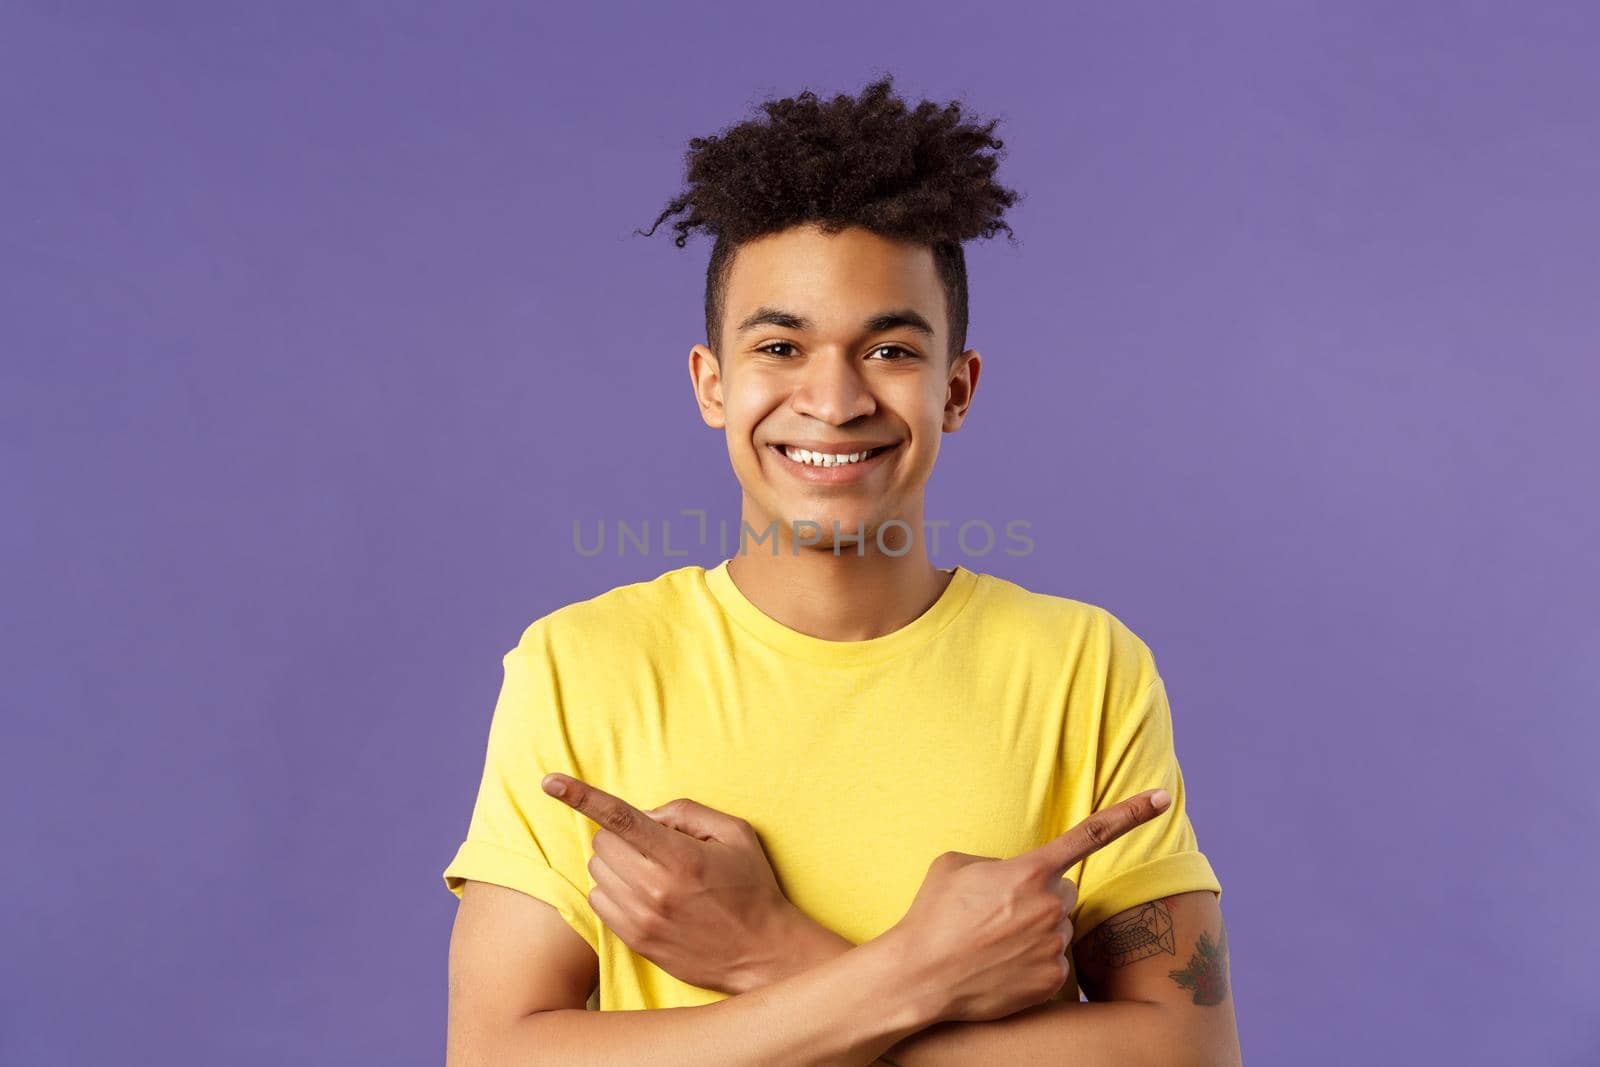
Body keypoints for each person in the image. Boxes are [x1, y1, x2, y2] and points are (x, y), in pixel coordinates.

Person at [441, 74, 1241, 1065]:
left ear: (956, 388)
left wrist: (768, 951)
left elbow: (1188, 1055)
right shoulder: (581, 664)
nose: (832, 397)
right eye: (780, 344)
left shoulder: (1083, 665)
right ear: (712, 383)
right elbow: (494, 1055)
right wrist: (922, 973)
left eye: (890, 349)